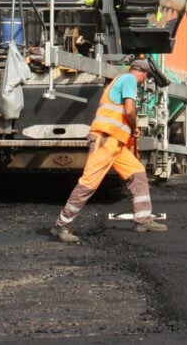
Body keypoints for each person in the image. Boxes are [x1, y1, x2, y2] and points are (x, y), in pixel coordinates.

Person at [50, 59, 167, 242]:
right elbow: (129, 111)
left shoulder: (120, 79)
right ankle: (61, 225)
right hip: (105, 141)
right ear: (143, 73)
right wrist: (134, 126)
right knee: (89, 183)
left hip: (115, 143)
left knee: (137, 174)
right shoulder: (129, 79)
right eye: (146, 78)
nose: (144, 81)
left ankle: (143, 220)